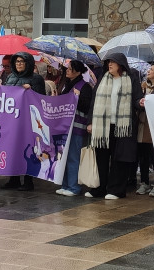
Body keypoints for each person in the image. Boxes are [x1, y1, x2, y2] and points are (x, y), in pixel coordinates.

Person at [89, 53, 142, 200]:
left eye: (112, 62)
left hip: (122, 126)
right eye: (108, 62)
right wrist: (90, 122)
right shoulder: (104, 78)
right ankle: (98, 189)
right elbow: (94, 100)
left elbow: (137, 99)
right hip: (103, 125)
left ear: (121, 64)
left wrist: (140, 103)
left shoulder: (131, 79)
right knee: (101, 158)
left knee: (120, 159)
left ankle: (116, 190)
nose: (109, 65)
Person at [0, 52, 45, 190]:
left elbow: (41, 98)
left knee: (28, 150)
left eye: (22, 61)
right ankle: (13, 179)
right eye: (17, 61)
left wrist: (31, 90)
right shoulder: (10, 77)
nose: (18, 63)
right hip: (12, 119)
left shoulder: (36, 78)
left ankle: (28, 180)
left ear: (28, 63)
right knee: (13, 149)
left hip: (27, 120)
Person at [57, 61, 96, 197]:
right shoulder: (66, 84)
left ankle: (74, 187)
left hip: (77, 128)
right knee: (64, 157)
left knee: (74, 157)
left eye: (70, 69)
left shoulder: (85, 87)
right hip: (65, 127)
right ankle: (65, 184)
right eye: (67, 68)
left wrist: (77, 97)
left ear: (78, 71)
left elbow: (86, 107)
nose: (67, 71)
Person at [137, 64, 154, 196]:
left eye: (152, 70)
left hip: (153, 126)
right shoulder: (143, 87)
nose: (148, 71)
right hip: (142, 124)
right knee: (143, 155)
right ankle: (144, 182)